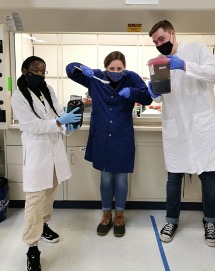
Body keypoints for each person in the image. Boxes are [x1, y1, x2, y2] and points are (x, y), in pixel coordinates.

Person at [148, 20, 215, 247]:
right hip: (177, 132)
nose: (159, 44)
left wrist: (184, 66)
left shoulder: (197, 50)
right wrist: (152, 90)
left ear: (173, 34)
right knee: (173, 179)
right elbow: (159, 96)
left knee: (209, 180)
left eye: (162, 39)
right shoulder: (159, 64)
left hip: (201, 130)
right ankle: (171, 220)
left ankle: (210, 222)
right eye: (155, 42)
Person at [66, 51, 152, 237]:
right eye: (112, 68)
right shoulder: (96, 77)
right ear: (106, 68)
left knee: (121, 178)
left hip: (122, 136)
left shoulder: (131, 78)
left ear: (124, 68)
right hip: (102, 136)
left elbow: (148, 97)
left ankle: (119, 214)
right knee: (105, 177)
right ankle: (106, 214)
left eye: (119, 68)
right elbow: (70, 70)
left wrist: (133, 93)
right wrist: (81, 67)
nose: (115, 71)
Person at [11, 56, 82, 271]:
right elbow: (32, 125)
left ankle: (43, 226)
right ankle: (32, 248)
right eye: (35, 70)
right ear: (25, 71)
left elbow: (58, 114)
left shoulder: (47, 89)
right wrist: (60, 122)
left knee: (50, 193)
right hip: (37, 155)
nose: (40, 74)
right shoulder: (18, 96)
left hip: (54, 153)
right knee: (34, 200)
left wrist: (69, 124)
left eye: (43, 71)